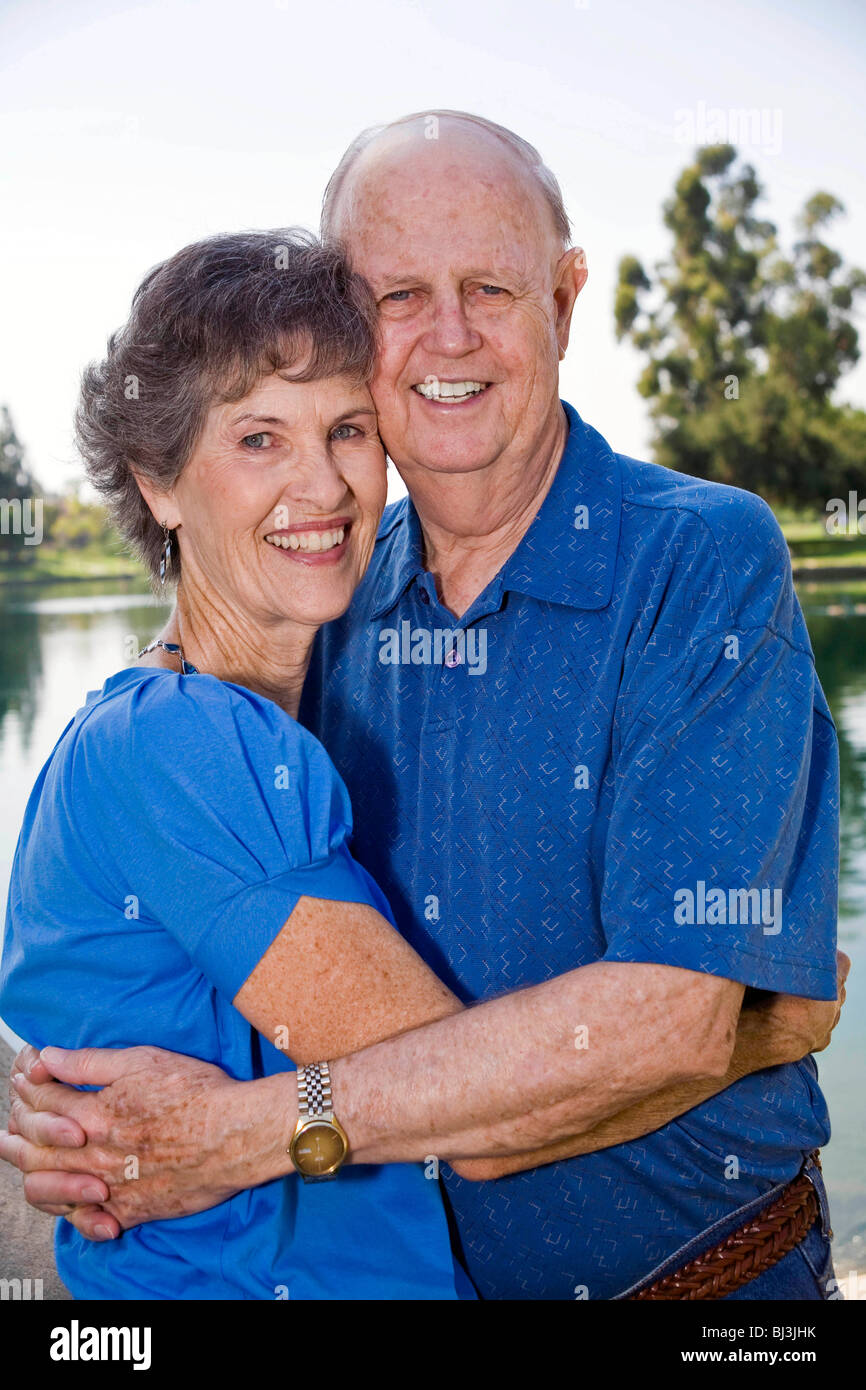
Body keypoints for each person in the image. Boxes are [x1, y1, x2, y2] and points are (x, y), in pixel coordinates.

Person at [1, 113, 848, 1301]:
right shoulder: (314, 622)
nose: (447, 334)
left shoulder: (697, 561)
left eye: (490, 286)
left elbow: (642, 1027)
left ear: (561, 300)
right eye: (398, 294)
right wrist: (738, 1022)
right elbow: (504, 1088)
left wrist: (242, 1129)